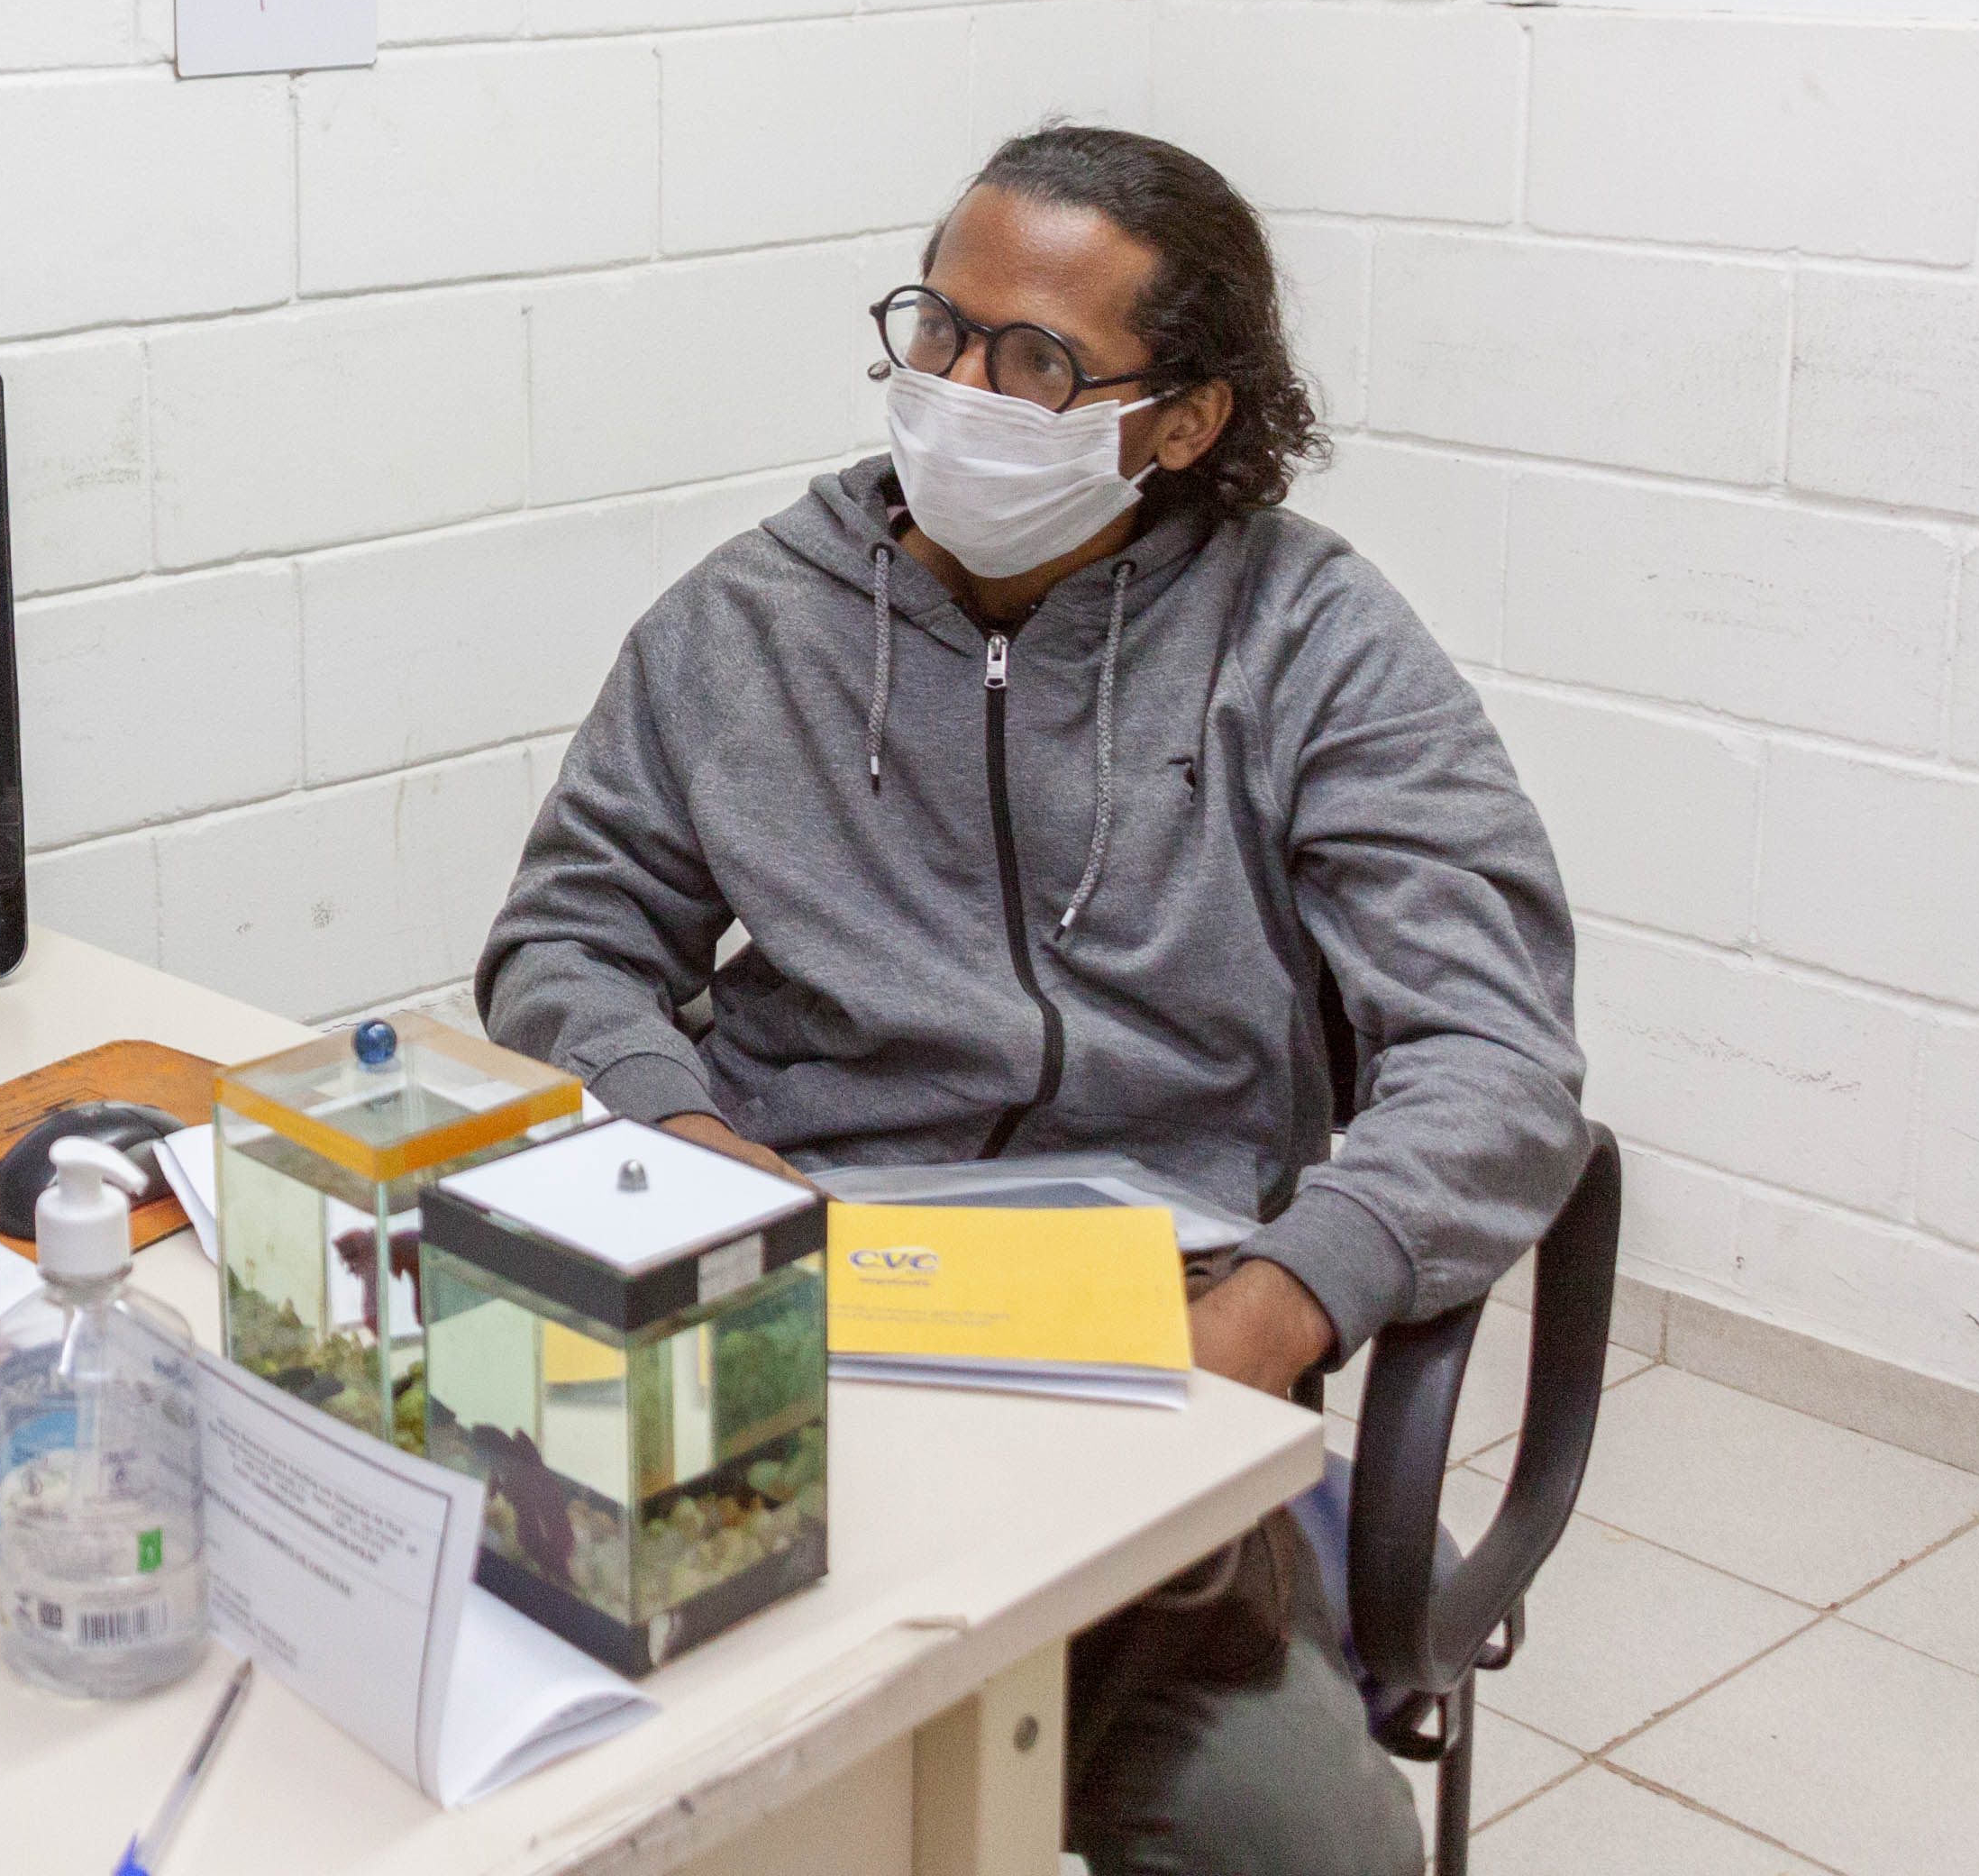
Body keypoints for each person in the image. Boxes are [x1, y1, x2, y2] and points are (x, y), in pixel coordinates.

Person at [479, 123, 1585, 1876]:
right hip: (787, 1287)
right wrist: (690, 1147)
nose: (964, 390)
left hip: (1159, 1333)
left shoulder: (1313, 648)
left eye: (1040, 361)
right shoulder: (748, 622)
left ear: (1189, 419)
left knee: (1302, 1848)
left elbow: (1499, 1055)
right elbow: (569, 939)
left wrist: (1275, 1315)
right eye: (941, 329)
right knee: (618, 1776)